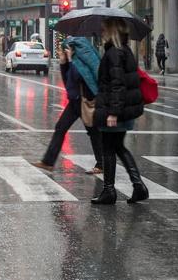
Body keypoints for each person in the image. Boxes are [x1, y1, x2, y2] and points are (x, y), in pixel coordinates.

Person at [91, 18, 147, 205]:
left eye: (104, 28)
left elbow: (117, 84)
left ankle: (109, 191)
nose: (101, 31)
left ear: (112, 30)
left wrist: (113, 113)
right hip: (122, 108)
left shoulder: (114, 53)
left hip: (115, 109)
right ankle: (138, 187)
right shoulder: (124, 50)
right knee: (118, 147)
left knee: (109, 147)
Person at [33, 38, 103, 174]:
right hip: (75, 101)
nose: (61, 53)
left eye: (62, 51)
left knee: (94, 132)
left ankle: (101, 164)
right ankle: (48, 162)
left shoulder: (78, 63)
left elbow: (77, 76)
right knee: (61, 127)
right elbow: (68, 81)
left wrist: (70, 60)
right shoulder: (71, 63)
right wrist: (63, 63)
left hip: (85, 100)